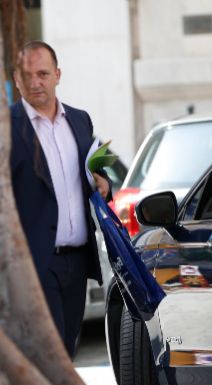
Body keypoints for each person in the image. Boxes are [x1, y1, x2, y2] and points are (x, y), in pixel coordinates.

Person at [10, 40, 111, 357]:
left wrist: (105, 184)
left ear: (57, 75)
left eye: (42, 73)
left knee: (68, 348)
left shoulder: (81, 121)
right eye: (26, 75)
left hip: (78, 261)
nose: (34, 82)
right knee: (49, 353)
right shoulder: (6, 126)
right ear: (16, 79)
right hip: (36, 263)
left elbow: (105, 170)